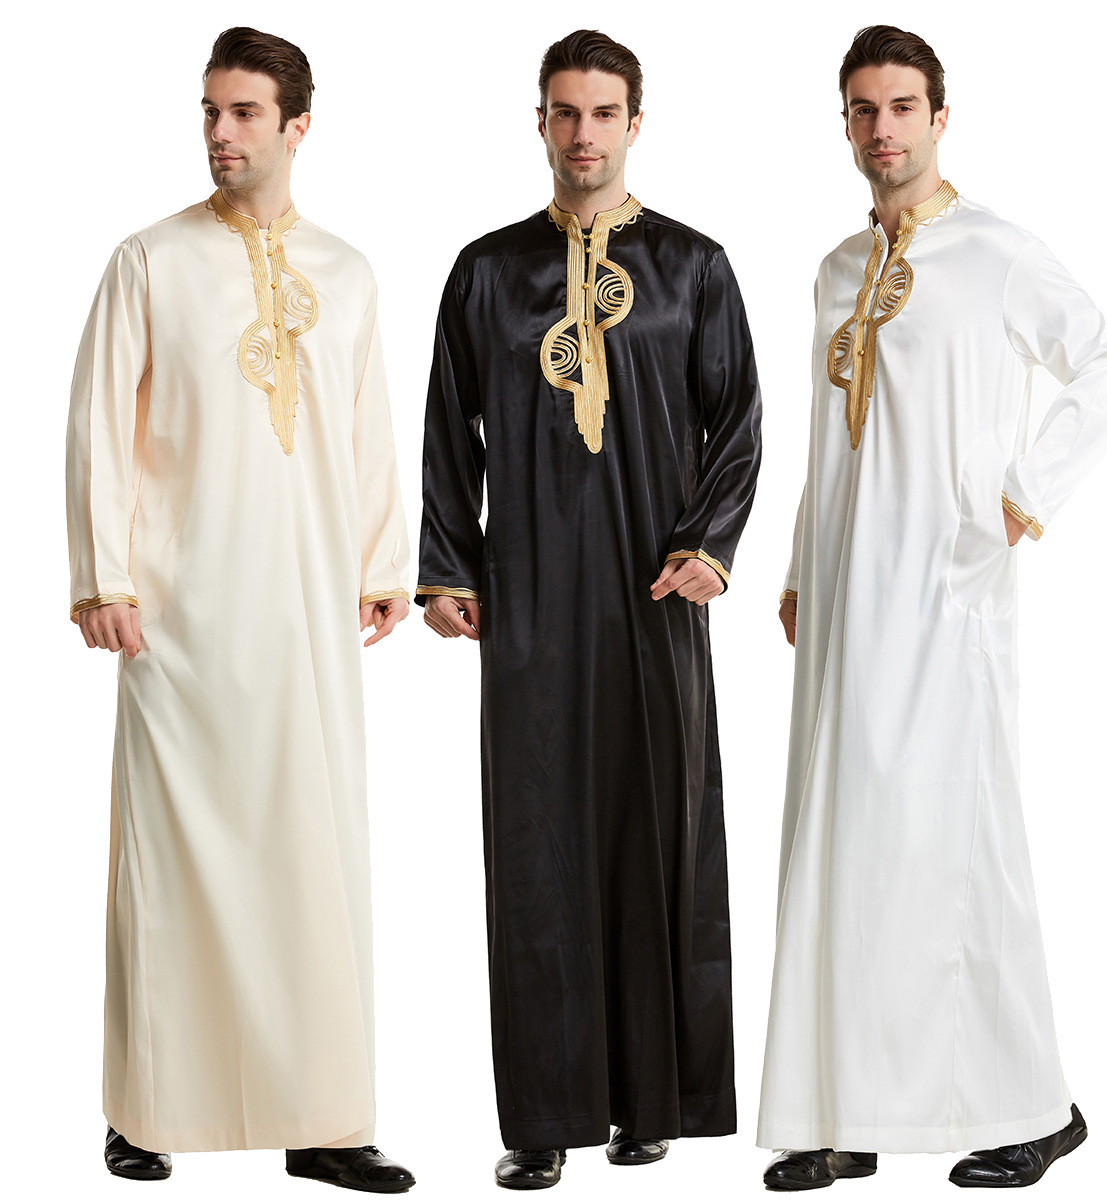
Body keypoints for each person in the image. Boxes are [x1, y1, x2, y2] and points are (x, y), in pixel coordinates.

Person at [757, 24, 1107, 1192]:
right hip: (847, 597)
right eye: (863, 110)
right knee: (846, 844)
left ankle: (1035, 1106)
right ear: (846, 124)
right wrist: (802, 564)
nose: (883, 130)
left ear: (939, 118)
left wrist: (1023, 497)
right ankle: (844, 1110)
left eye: (902, 107)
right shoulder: (836, 268)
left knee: (962, 844)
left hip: (948, 591)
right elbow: (834, 431)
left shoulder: (996, 254)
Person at [67, 26, 414, 1193]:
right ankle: (146, 1112)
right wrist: (105, 577)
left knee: (311, 858)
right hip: (180, 619)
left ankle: (325, 1121)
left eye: (245, 113)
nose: (220, 133)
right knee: (170, 870)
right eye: (210, 111)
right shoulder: (150, 261)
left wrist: (381, 562)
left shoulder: (349, 272)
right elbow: (98, 423)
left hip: (308, 615)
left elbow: (367, 425)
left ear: (298, 125)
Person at [417, 28, 761, 1190]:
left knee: (655, 833)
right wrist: (451, 569)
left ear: (634, 123)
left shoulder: (695, 266)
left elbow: (738, 418)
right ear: (541, 123)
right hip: (531, 598)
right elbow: (446, 428)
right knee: (538, 847)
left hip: (654, 595)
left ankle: (648, 1102)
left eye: (603, 112)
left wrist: (710, 546)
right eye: (564, 112)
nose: (583, 133)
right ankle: (544, 1118)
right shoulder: (487, 271)